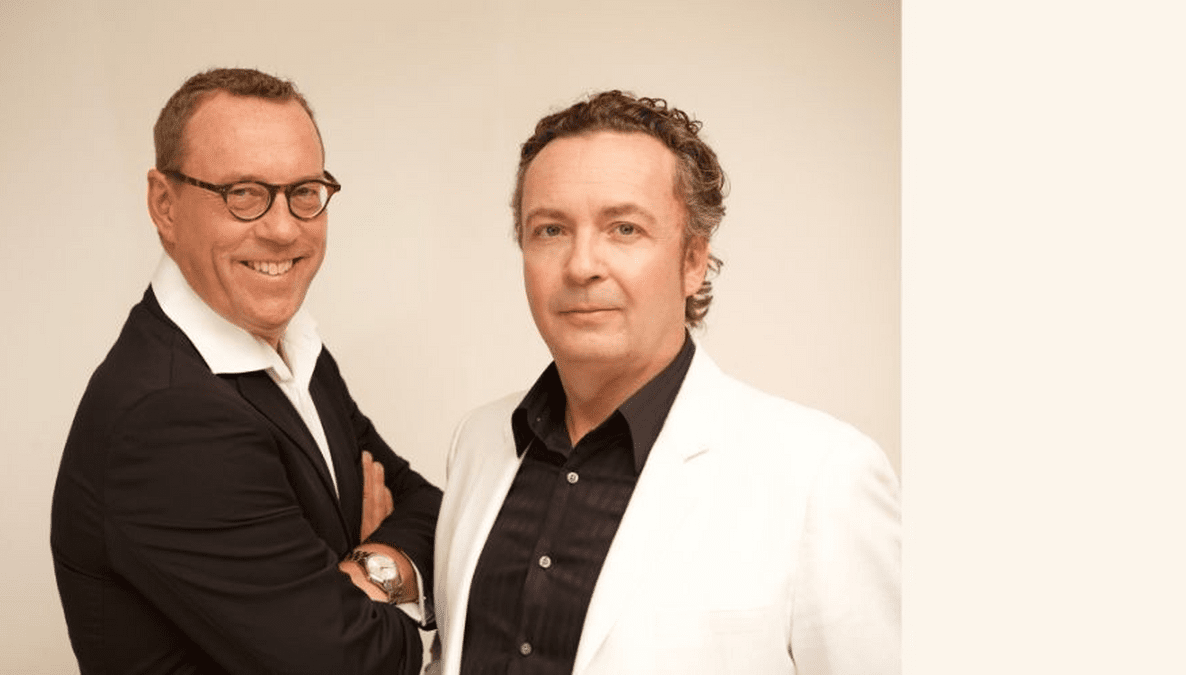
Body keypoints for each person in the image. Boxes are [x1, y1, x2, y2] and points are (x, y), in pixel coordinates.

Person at [432, 91, 900, 674]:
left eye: (624, 229)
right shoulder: (478, 442)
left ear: (693, 261)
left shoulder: (823, 476)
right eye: (550, 230)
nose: (582, 266)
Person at [50, 68, 440, 675]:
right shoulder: (169, 417)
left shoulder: (292, 349)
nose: (282, 228)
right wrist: (376, 591)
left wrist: (366, 571)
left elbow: (429, 508)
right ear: (164, 205)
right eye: (243, 193)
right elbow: (356, 663)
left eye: (304, 191)